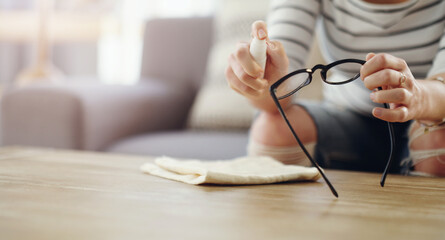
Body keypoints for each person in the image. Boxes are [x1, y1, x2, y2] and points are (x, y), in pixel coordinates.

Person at [225, 0, 445, 177]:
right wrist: (261, 81)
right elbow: (275, 96)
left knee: (437, 140)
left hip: (433, 118)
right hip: (349, 119)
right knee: (271, 130)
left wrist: (420, 98)